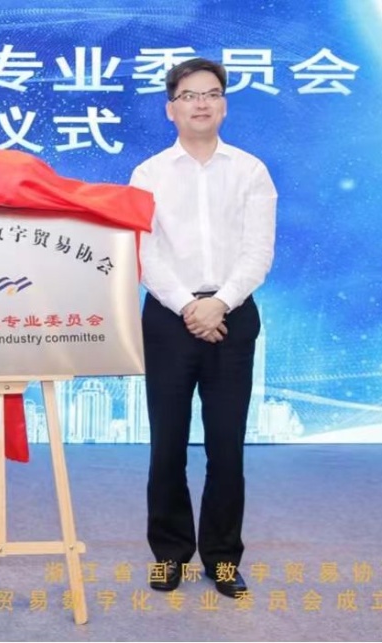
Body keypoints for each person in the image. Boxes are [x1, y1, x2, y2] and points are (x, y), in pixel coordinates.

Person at [130, 58, 277, 598]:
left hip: (233, 317)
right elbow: (144, 253)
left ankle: (222, 558)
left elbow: (258, 252)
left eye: (211, 94)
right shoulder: (148, 174)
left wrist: (220, 303)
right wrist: (188, 307)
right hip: (169, 321)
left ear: (224, 105)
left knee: (226, 447)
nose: (201, 103)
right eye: (189, 95)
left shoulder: (251, 171)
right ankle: (169, 554)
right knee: (167, 445)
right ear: (171, 109)